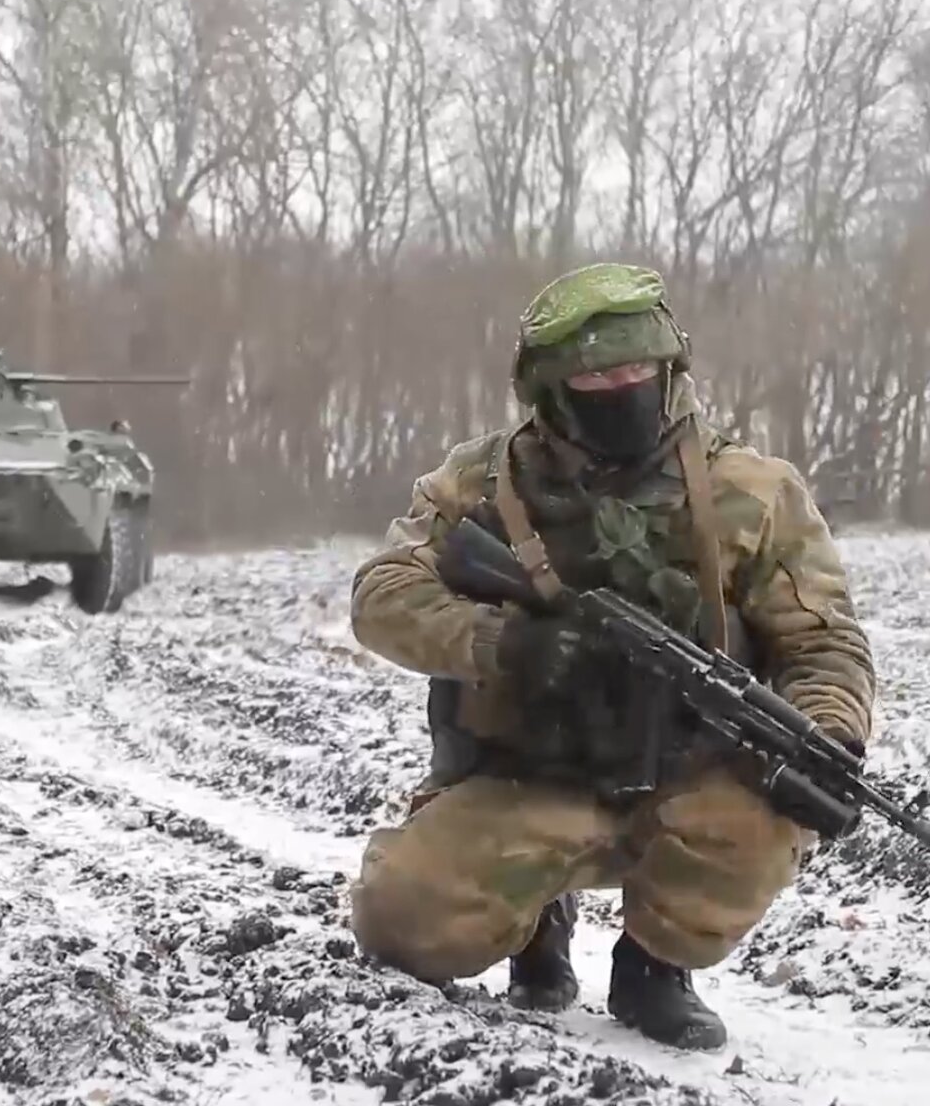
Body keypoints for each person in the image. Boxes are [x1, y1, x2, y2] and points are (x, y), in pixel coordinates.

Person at [347, 263, 875, 1051]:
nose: (622, 386)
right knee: (401, 921)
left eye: (638, 369)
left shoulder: (752, 489)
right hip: (526, 777)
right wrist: (507, 643)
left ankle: (655, 968)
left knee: (769, 815)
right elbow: (382, 596)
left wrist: (829, 731)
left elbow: (822, 639)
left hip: (690, 774)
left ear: (670, 370)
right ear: (551, 388)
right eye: (596, 374)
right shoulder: (482, 480)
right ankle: (537, 920)